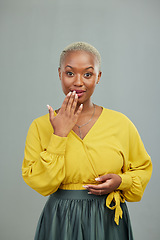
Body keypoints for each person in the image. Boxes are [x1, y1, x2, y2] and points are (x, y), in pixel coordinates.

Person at [22, 42, 152, 240]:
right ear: (59, 74)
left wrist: (121, 181)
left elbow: (142, 169)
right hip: (60, 219)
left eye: (88, 74)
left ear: (98, 77)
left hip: (107, 219)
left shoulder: (121, 123)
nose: (78, 82)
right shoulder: (40, 126)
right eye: (70, 73)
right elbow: (42, 184)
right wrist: (59, 135)